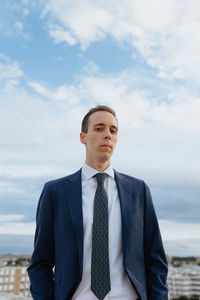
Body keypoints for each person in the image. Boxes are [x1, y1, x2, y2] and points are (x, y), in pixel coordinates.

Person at [28, 105, 168, 300]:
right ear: (83, 137)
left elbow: (156, 260)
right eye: (99, 128)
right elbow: (40, 264)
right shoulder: (55, 192)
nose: (107, 135)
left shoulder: (138, 191)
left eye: (113, 130)